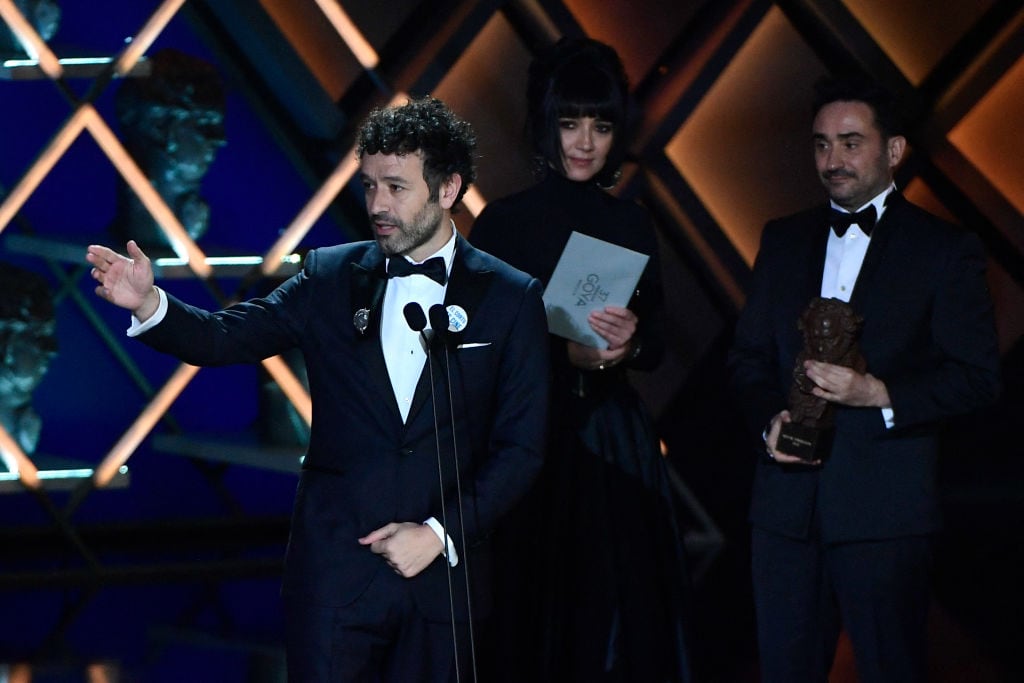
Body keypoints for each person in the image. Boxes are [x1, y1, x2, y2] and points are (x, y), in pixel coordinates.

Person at [86, 96, 550, 683]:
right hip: (334, 578)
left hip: (446, 588)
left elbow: (522, 449)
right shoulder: (329, 276)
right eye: (368, 186)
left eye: (396, 187)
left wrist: (439, 534)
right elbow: (223, 338)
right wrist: (152, 305)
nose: (377, 206)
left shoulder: (510, 299)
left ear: (449, 188)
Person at [727, 75, 1001, 682]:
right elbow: (746, 359)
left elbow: (979, 378)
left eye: (851, 143)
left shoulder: (944, 249)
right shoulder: (782, 238)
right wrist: (767, 423)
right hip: (782, 514)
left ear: (894, 150)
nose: (833, 160)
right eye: (822, 145)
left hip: (885, 515)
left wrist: (880, 394)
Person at [470, 37, 693, 682]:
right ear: (546, 125)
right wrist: (556, 349)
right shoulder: (503, 225)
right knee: (529, 606)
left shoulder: (631, 223)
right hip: (526, 435)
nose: (585, 142)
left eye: (600, 125)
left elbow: (652, 341)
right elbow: (479, 343)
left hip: (608, 434)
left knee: (616, 610)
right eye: (570, 124)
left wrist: (631, 342)